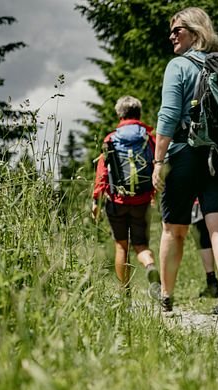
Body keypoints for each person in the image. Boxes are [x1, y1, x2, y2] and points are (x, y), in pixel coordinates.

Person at [152, 7, 218, 315]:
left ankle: (165, 295)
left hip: (184, 152)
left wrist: (157, 161)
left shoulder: (178, 65)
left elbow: (167, 115)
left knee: (172, 229)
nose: (171, 36)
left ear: (195, 32)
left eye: (177, 30)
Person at [92, 95, 159, 295]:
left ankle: (125, 292)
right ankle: (149, 266)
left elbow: (102, 173)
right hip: (142, 199)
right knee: (141, 245)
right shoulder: (149, 138)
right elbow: (157, 166)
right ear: (138, 113)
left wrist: (96, 200)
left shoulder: (111, 139)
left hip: (117, 201)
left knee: (121, 246)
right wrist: (155, 193)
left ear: (119, 115)